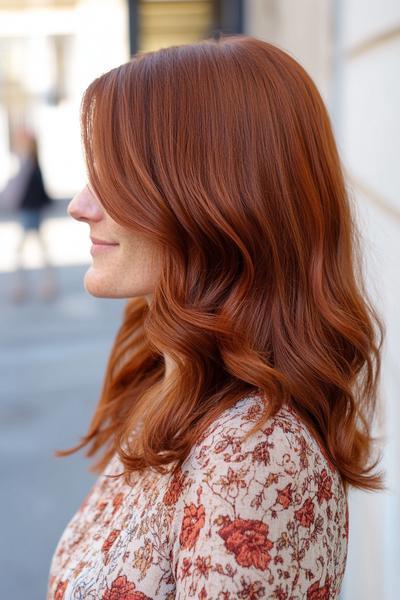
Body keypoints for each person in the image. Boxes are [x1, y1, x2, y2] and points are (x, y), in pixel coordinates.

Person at [47, 34, 386, 599]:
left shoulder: (254, 455)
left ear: (217, 200)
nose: (80, 205)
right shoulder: (171, 381)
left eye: (117, 177)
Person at [3, 127, 57, 302]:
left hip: (29, 213)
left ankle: (25, 286)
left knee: (23, 252)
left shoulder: (29, 167)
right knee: (38, 250)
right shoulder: (30, 165)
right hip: (32, 212)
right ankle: (42, 284)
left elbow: (32, 192)